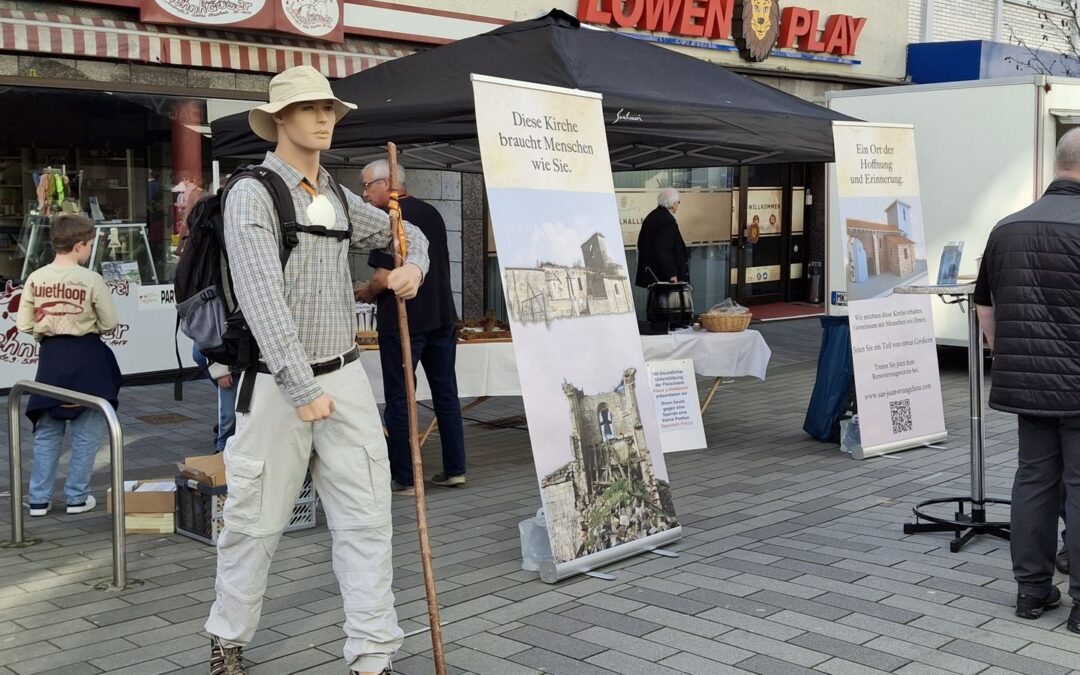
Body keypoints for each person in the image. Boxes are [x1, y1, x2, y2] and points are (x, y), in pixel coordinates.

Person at [203, 66, 429, 675]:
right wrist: (301, 388)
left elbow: (404, 233)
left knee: (367, 515)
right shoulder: (252, 192)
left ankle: (373, 655)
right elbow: (259, 295)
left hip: (346, 375)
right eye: (307, 109)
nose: (323, 118)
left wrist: (413, 270)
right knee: (254, 521)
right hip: (279, 384)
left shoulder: (333, 191)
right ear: (279, 120)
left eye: (329, 107)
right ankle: (228, 639)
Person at [974, 127, 1080, 634]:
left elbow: (983, 305)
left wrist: (1009, 354)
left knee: (1034, 480)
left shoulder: (1006, 228)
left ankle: (1031, 592)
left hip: (1026, 384)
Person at [355, 159, 465, 496]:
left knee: (401, 396)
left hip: (407, 319)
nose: (363, 194)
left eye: (367, 186)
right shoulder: (431, 212)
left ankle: (404, 475)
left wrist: (367, 290)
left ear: (386, 182)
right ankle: (456, 467)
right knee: (446, 392)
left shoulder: (390, 218)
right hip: (442, 315)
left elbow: (382, 277)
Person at [16, 214, 120, 517]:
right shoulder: (91, 279)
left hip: (51, 360)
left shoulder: (36, 278)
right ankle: (76, 497)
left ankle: (38, 499)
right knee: (87, 432)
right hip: (88, 358)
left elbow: (24, 323)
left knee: (48, 432)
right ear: (79, 245)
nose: (89, 250)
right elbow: (110, 323)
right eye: (89, 245)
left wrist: (47, 330)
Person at [634, 187, 689, 287]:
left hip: (653, 275)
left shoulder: (651, 216)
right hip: (665, 279)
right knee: (670, 302)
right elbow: (663, 249)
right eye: (678, 202)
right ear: (673, 204)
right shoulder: (668, 220)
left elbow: (641, 244)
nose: (678, 205)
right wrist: (672, 274)